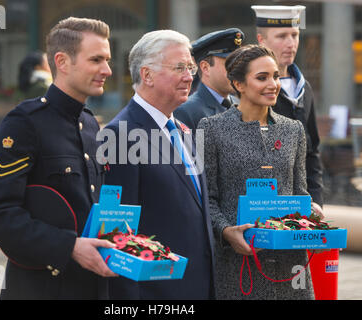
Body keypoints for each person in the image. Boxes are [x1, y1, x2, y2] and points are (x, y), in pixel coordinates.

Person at [0, 17, 117, 300]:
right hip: (40, 288)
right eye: (96, 60)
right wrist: (69, 247)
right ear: (62, 62)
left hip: (92, 287)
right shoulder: (25, 122)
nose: (108, 70)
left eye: (108, 60)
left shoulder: (89, 124)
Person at [103, 30, 216, 299]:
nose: (190, 76)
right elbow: (117, 234)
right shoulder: (121, 135)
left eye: (190, 67)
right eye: (179, 67)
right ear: (147, 75)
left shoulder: (184, 130)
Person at [198, 44, 314, 299]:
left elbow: (300, 192)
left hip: (290, 262)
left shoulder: (293, 129)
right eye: (262, 78)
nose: (273, 84)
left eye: (275, 76)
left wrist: (314, 224)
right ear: (239, 84)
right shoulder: (211, 128)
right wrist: (226, 231)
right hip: (238, 262)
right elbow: (207, 198)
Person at [252, 5, 324, 215]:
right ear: (261, 39)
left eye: (294, 35)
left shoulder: (304, 88)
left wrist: (316, 200)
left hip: (302, 207)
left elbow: (312, 153)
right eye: (282, 36)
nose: (291, 44)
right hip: (265, 206)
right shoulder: (252, 91)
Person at [174, 28, 244, 132]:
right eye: (230, 64)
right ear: (205, 68)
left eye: (239, 64)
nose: (237, 71)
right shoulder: (187, 111)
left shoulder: (240, 105)